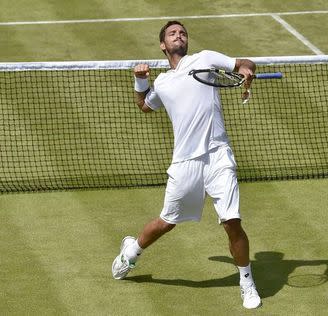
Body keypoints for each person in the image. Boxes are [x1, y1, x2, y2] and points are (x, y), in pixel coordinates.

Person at [111, 20, 261, 309]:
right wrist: (140, 80)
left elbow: (243, 62)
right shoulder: (164, 82)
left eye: (182, 33)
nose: (179, 36)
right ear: (163, 46)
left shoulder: (204, 59)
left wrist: (246, 69)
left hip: (218, 155)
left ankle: (247, 281)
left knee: (232, 221)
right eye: (172, 34)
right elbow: (144, 105)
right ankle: (131, 251)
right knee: (167, 222)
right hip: (185, 162)